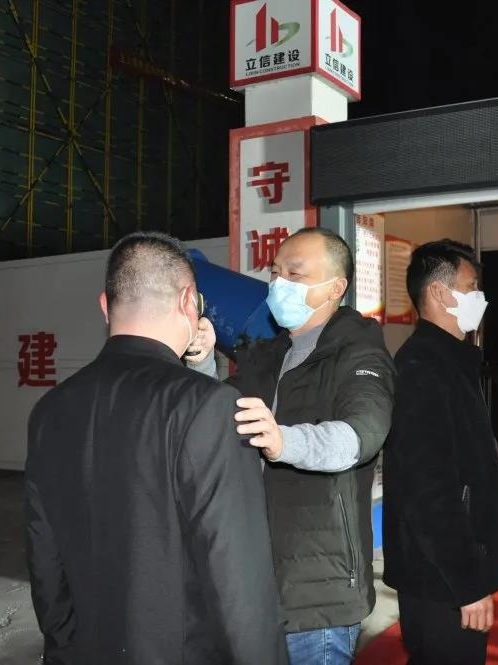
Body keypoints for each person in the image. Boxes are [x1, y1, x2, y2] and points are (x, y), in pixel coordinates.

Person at [25, 231, 287, 665]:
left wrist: (63, 650)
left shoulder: (50, 410)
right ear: (188, 303)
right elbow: (238, 580)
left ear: (105, 305)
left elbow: (44, 558)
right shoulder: (210, 406)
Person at [188, 226, 395, 665]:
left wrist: (285, 441)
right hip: (256, 581)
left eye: (295, 274)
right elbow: (220, 416)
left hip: (319, 593)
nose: (279, 284)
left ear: (335, 287)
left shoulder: (359, 353)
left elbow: (361, 434)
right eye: (276, 272)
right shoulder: (268, 355)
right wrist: (202, 360)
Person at [379, 239, 498, 665]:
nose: (480, 297)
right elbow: (430, 491)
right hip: (440, 579)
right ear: (439, 293)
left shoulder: (450, 361)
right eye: (472, 286)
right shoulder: (423, 368)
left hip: (449, 573)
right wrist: (467, 584)